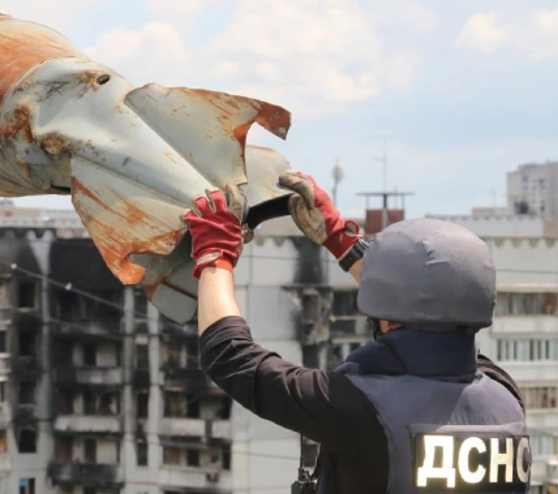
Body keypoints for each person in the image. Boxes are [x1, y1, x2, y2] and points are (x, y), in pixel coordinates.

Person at [182, 171, 531, 494]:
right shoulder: (505, 398)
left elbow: (230, 356)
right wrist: (342, 241)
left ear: (388, 318)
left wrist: (215, 255)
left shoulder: (358, 408)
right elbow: (440, 325)